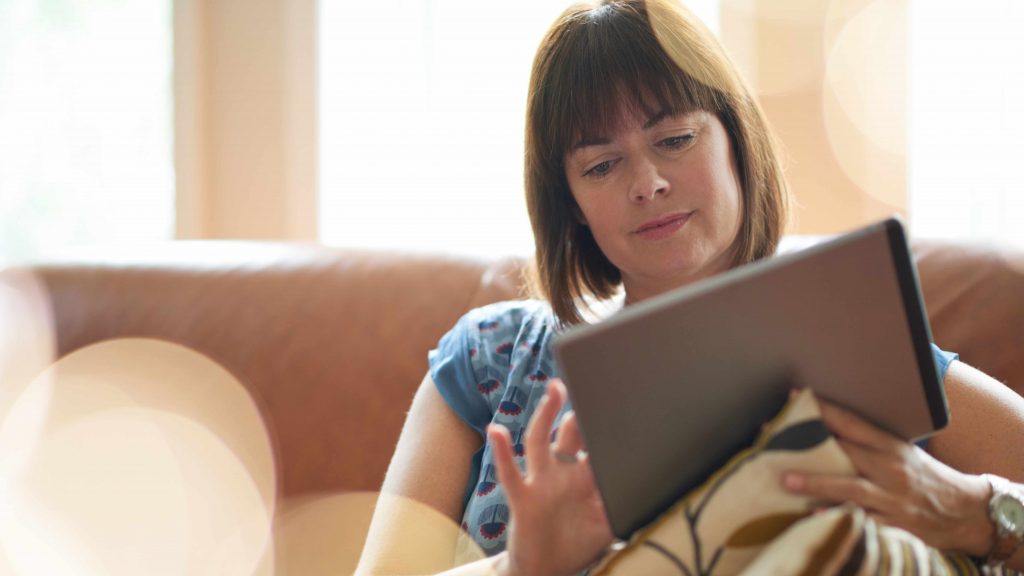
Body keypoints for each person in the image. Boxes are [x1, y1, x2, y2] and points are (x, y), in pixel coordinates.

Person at [357, 1, 1024, 574]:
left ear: (735, 141)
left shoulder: (853, 339)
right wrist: (522, 567)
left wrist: (971, 510)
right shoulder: (491, 359)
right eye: (602, 165)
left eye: (675, 137)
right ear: (571, 206)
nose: (646, 182)